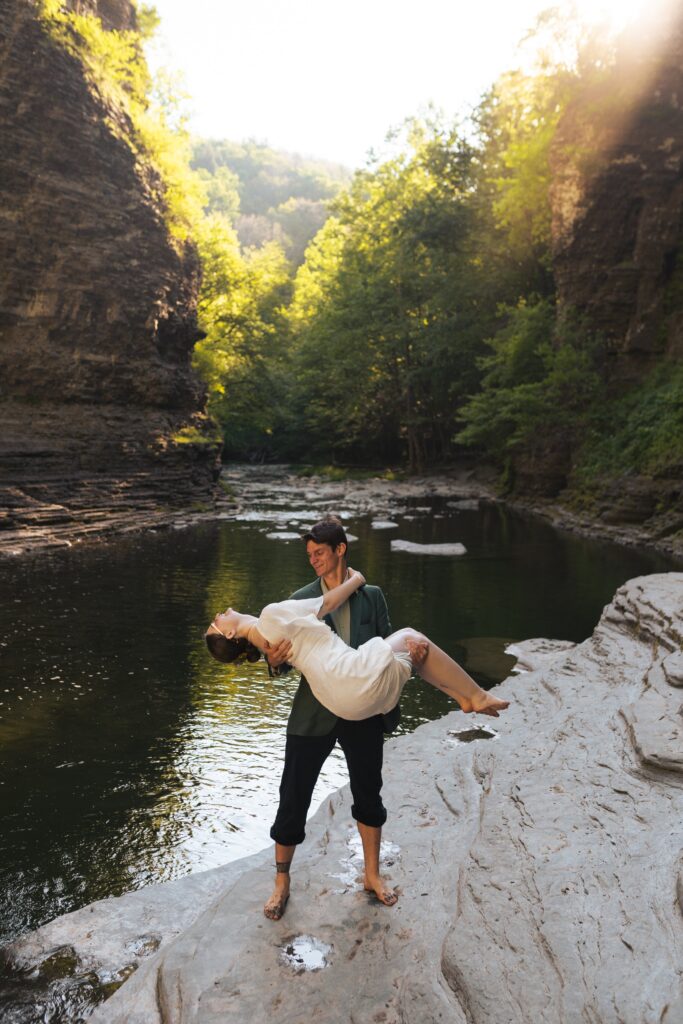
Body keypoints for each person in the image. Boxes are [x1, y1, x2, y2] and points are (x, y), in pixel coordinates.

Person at [206, 530, 510, 918]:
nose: (313, 559)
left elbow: (384, 645)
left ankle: (371, 875)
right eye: (310, 554)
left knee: (370, 792)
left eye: (319, 553)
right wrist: (272, 659)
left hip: (361, 701)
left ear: (340, 549)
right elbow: (278, 656)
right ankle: (281, 882)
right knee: (293, 796)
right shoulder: (299, 598)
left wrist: (412, 655)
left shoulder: (375, 597)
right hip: (315, 711)